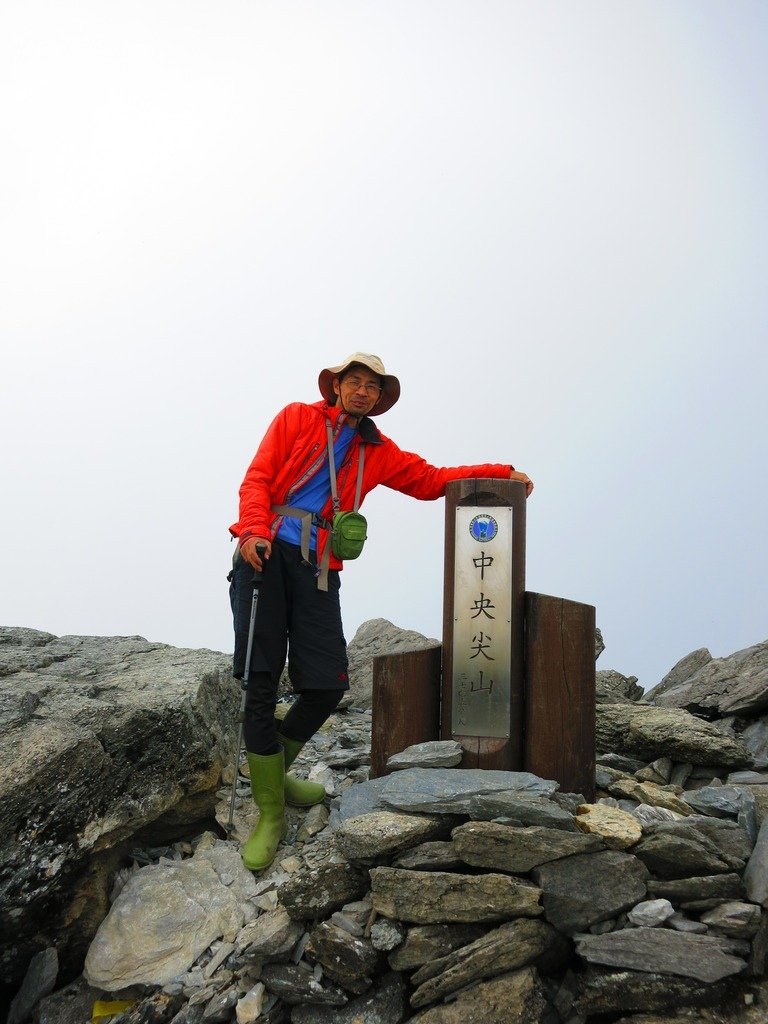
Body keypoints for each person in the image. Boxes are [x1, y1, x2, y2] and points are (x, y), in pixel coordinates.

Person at [228, 353, 533, 871]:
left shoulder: (378, 451)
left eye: (373, 386)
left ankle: (273, 772)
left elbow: (432, 479)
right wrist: (253, 530)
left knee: (327, 685)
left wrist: (500, 473)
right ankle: (271, 813)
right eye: (355, 382)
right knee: (260, 684)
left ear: (380, 398)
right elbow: (257, 478)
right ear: (338, 386)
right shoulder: (297, 418)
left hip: (319, 567)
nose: (363, 391)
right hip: (265, 553)